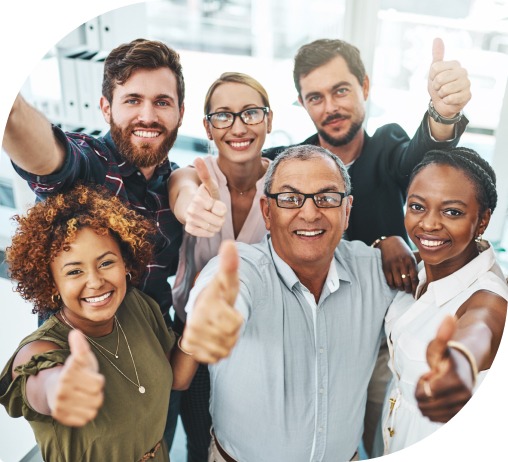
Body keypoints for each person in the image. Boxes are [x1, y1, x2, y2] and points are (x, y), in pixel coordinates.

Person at [262, 37, 471, 454]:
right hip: (309, 340)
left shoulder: (387, 149)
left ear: (365, 87)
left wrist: (442, 115)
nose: (330, 107)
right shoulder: (289, 162)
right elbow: (238, 173)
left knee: (385, 437)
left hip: (382, 342)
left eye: (341, 90)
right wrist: (381, 241)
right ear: (303, 104)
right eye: (315, 97)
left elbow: (421, 155)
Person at [1, 38, 193, 448]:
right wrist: (11, 108)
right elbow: (48, 156)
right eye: (132, 100)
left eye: (162, 102)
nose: (147, 115)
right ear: (106, 108)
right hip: (80, 360)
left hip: (156, 356)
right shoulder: (90, 166)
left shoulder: (175, 183)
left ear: (180, 113)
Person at [180, 145, 398, 462]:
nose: (309, 213)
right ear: (267, 212)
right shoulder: (243, 268)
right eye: (290, 199)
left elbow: (447, 276)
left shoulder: (376, 271)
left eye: (326, 198)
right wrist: (212, 316)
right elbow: (222, 292)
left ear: (347, 210)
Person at [0, 184, 205, 461]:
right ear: (52, 283)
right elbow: (43, 385)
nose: (96, 282)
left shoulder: (138, 306)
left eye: (106, 263)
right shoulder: (40, 350)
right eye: (74, 271)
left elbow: (177, 379)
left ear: (125, 262)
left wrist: (197, 316)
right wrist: (60, 387)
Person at [168, 72, 273, 462]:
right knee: (199, 440)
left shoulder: (286, 186)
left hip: (260, 340)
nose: (239, 127)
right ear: (208, 129)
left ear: (269, 120)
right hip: (192, 335)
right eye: (223, 116)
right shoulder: (193, 176)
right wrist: (192, 208)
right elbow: (183, 191)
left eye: (250, 112)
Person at [379, 147, 508, 455]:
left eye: (452, 212)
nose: (429, 224)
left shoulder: (489, 298)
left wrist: (461, 363)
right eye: (417, 206)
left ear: (482, 221)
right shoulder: (421, 267)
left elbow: (480, 328)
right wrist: (386, 241)